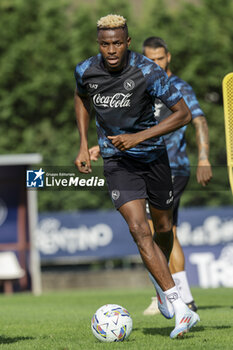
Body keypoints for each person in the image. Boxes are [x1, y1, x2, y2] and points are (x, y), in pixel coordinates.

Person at [74, 14, 200, 339]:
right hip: (118, 162)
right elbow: (81, 96)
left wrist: (139, 138)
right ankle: (180, 306)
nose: (111, 49)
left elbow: (183, 114)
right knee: (138, 230)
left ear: (127, 42)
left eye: (117, 43)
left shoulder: (148, 71)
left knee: (163, 229)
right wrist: (83, 143)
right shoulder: (86, 71)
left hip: (154, 158)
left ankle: (161, 284)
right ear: (98, 44)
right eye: (105, 44)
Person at [141, 37, 212, 316]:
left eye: (160, 58)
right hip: (150, 167)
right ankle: (172, 294)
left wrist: (204, 156)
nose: (156, 63)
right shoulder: (144, 87)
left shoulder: (178, 87)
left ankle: (176, 295)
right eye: (150, 59)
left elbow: (200, 119)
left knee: (156, 229)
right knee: (166, 230)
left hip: (172, 168)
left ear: (168, 57)